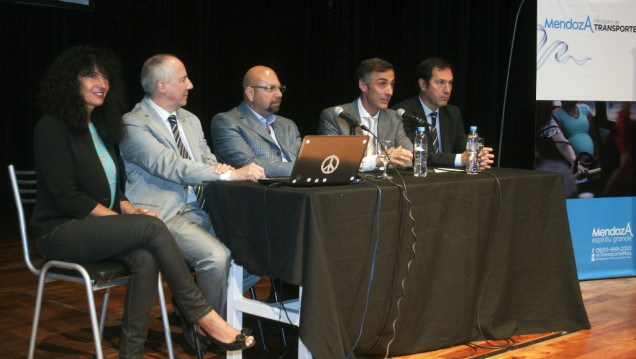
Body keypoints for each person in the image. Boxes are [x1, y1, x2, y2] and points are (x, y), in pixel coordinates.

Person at [31, 46, 254, 359]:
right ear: (70, 81)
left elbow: (113, 189)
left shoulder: (99, 128)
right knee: (152, 227)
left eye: (105, 76)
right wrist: (120, 219)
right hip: (60, 232)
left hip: (95, 228)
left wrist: (128, 209)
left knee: (146, 258)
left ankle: (131, 353)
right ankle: (203, 316)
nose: (101, 82)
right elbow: (66, 197)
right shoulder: (51, 127)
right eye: (91, 75)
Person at [119, 54, 264, 351]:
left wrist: (221, 169)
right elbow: (169, 165)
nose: (191, 85)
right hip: (163, 216)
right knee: (216, 257)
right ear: (162, 85)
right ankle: (209, 329)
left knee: (260, 250)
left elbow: (207, 161)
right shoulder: (132, 124)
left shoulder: (191, 120)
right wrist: (228, 175)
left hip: (203, 208)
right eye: (183, 79)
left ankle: (192, 304)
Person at [392, 57, 494, 169]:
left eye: (450, 83)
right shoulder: (402, 113)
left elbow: (462, 146)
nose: (447, 90)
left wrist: (476, 156)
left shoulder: (452, 113)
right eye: (440, 82)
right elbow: (416, 155)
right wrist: (461, 159)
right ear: (423, 84)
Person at [318, 58, 413, 171]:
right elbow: (332, 163)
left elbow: (407, 161)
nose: (389, 92)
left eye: (391, 84)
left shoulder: (394, 118)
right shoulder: (334, 116)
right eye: (382, 84)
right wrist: (378, 160)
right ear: (363, 85)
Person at [211, 66, 302, 178]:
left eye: (280, 88)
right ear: (250, 93)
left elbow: (305, 159)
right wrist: (302, 169)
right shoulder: (226, 122)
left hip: (299, 189)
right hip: (261, 193)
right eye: (271, 88)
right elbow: (249, 165)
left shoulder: (288, 125)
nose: (279, 94)